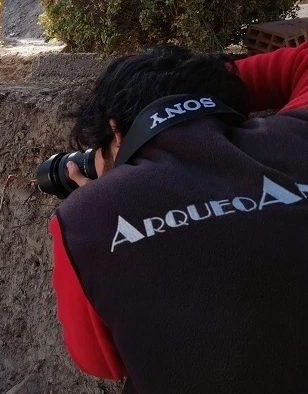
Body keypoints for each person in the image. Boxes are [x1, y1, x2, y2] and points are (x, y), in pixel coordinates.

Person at [51, 44, 308, 393]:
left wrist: (100, 201)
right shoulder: (298, 135)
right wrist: (202, 91)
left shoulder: (84, 219)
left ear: (116, 132)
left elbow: (99, 363)